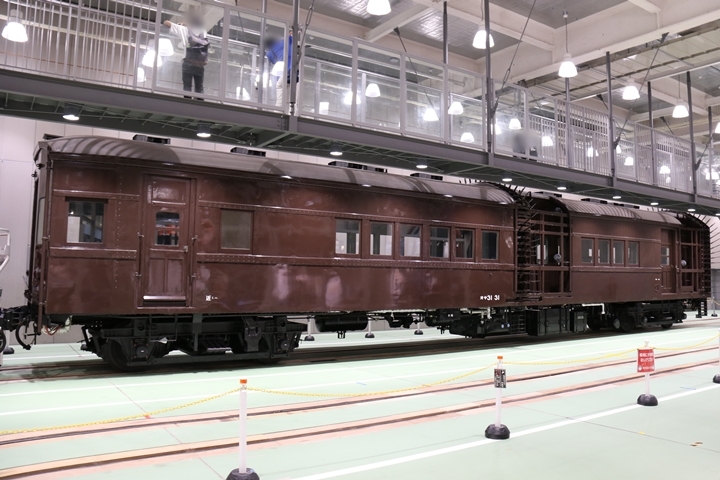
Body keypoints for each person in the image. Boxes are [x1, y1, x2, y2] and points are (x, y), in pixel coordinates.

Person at [163, 11, 209, 100]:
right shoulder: (203, 32)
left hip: (188, 63)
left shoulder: (184, 30)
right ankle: (200, 104)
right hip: (200, 64)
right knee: (199, 87)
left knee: (187, 86)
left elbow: (166, 23)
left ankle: (187, 102)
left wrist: (184, 23)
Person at [264, 34, 294, 108]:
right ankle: (291, 110)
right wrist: (291, 33)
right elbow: (291, 38)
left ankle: (279, 109)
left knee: (281, 90)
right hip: (290, 71)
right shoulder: (280, 44)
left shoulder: (269, 54)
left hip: (280, 75)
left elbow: (274, 62)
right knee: (292, 94)